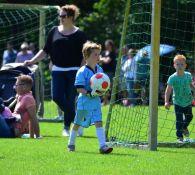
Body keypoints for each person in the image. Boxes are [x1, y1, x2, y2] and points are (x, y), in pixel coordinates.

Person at [23, 4, 87, 137]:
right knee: (56, 97)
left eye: (63, 16)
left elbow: (85, 54)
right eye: (60, 16)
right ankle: (78, 120)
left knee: (70, 100)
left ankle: (66, 128)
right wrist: (32, 61)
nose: (61, 18)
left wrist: (83, 69)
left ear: (71, 17)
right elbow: (45, 50)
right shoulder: (54, 31)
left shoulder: (80, 34)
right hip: (57, 70)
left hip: (74, 71)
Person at [67, 41, 113, 154]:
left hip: (96, 102)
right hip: (84, 101)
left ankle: (103, 146)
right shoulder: (82, 71)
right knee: (78, 123)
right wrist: (90, 93)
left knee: (98, 122)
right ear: (86, 56)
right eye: (95, 54)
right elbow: (79, 89)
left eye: (99, 54)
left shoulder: (100, 70)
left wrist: (102, 92)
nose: (98, 57)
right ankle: (71, 143)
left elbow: (102, 87)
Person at [164, 54, 195, 143]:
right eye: (178, 64)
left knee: (190, 117)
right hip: (177, 102)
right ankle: (180, 137)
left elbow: (190, 85)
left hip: (188, 101)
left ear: (185, 65)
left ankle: (184, 127)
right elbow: (168, 91)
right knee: (179, 120)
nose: (180, 66)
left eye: (182, 64)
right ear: (174, 65)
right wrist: (166, 102)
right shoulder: (172, 78)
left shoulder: (188, 75)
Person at [99, 39, 117, 105]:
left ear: (111, 45)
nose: (107, 46)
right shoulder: (103, 52)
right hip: (103, 71)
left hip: (110, 72)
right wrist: (104, 59)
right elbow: (99, 59)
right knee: (103, 87)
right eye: (106, 45)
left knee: (109, 87)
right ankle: (105, 101)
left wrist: (102, 59)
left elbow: (107, 61)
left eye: (108, 45)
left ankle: (110, 101)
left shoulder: (112, 53)